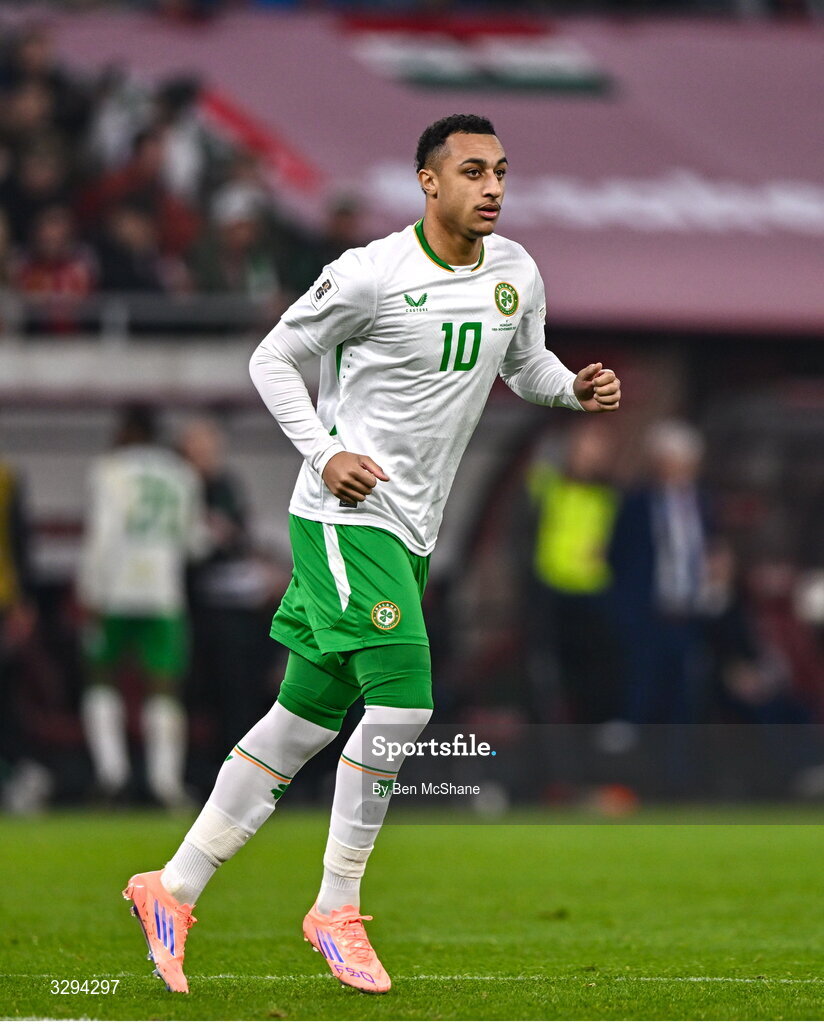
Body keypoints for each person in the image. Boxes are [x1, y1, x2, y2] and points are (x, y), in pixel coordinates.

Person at [122, 113, 621, 995]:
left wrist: (573, 389)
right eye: (473, 171)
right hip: (345, 517)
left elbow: (525, 366)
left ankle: (173, 885)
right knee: (405, 697)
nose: (493, 187)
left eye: (501, 171)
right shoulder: (371, 274)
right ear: (430, 182)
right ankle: (336, 907)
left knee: (302, 722)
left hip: (413, 528)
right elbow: (273, 359)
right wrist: (325, 454)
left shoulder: (515, 272)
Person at [77, 404, 208, 808]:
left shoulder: (109, 470)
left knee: (102, 677)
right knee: (164, 685)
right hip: (164, 593)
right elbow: (195, 543)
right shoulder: (183, 474)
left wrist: (89, 590)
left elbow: (103, 533)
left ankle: (111, 775)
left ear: (129, 430)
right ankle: (165, 783)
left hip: (114, 590)